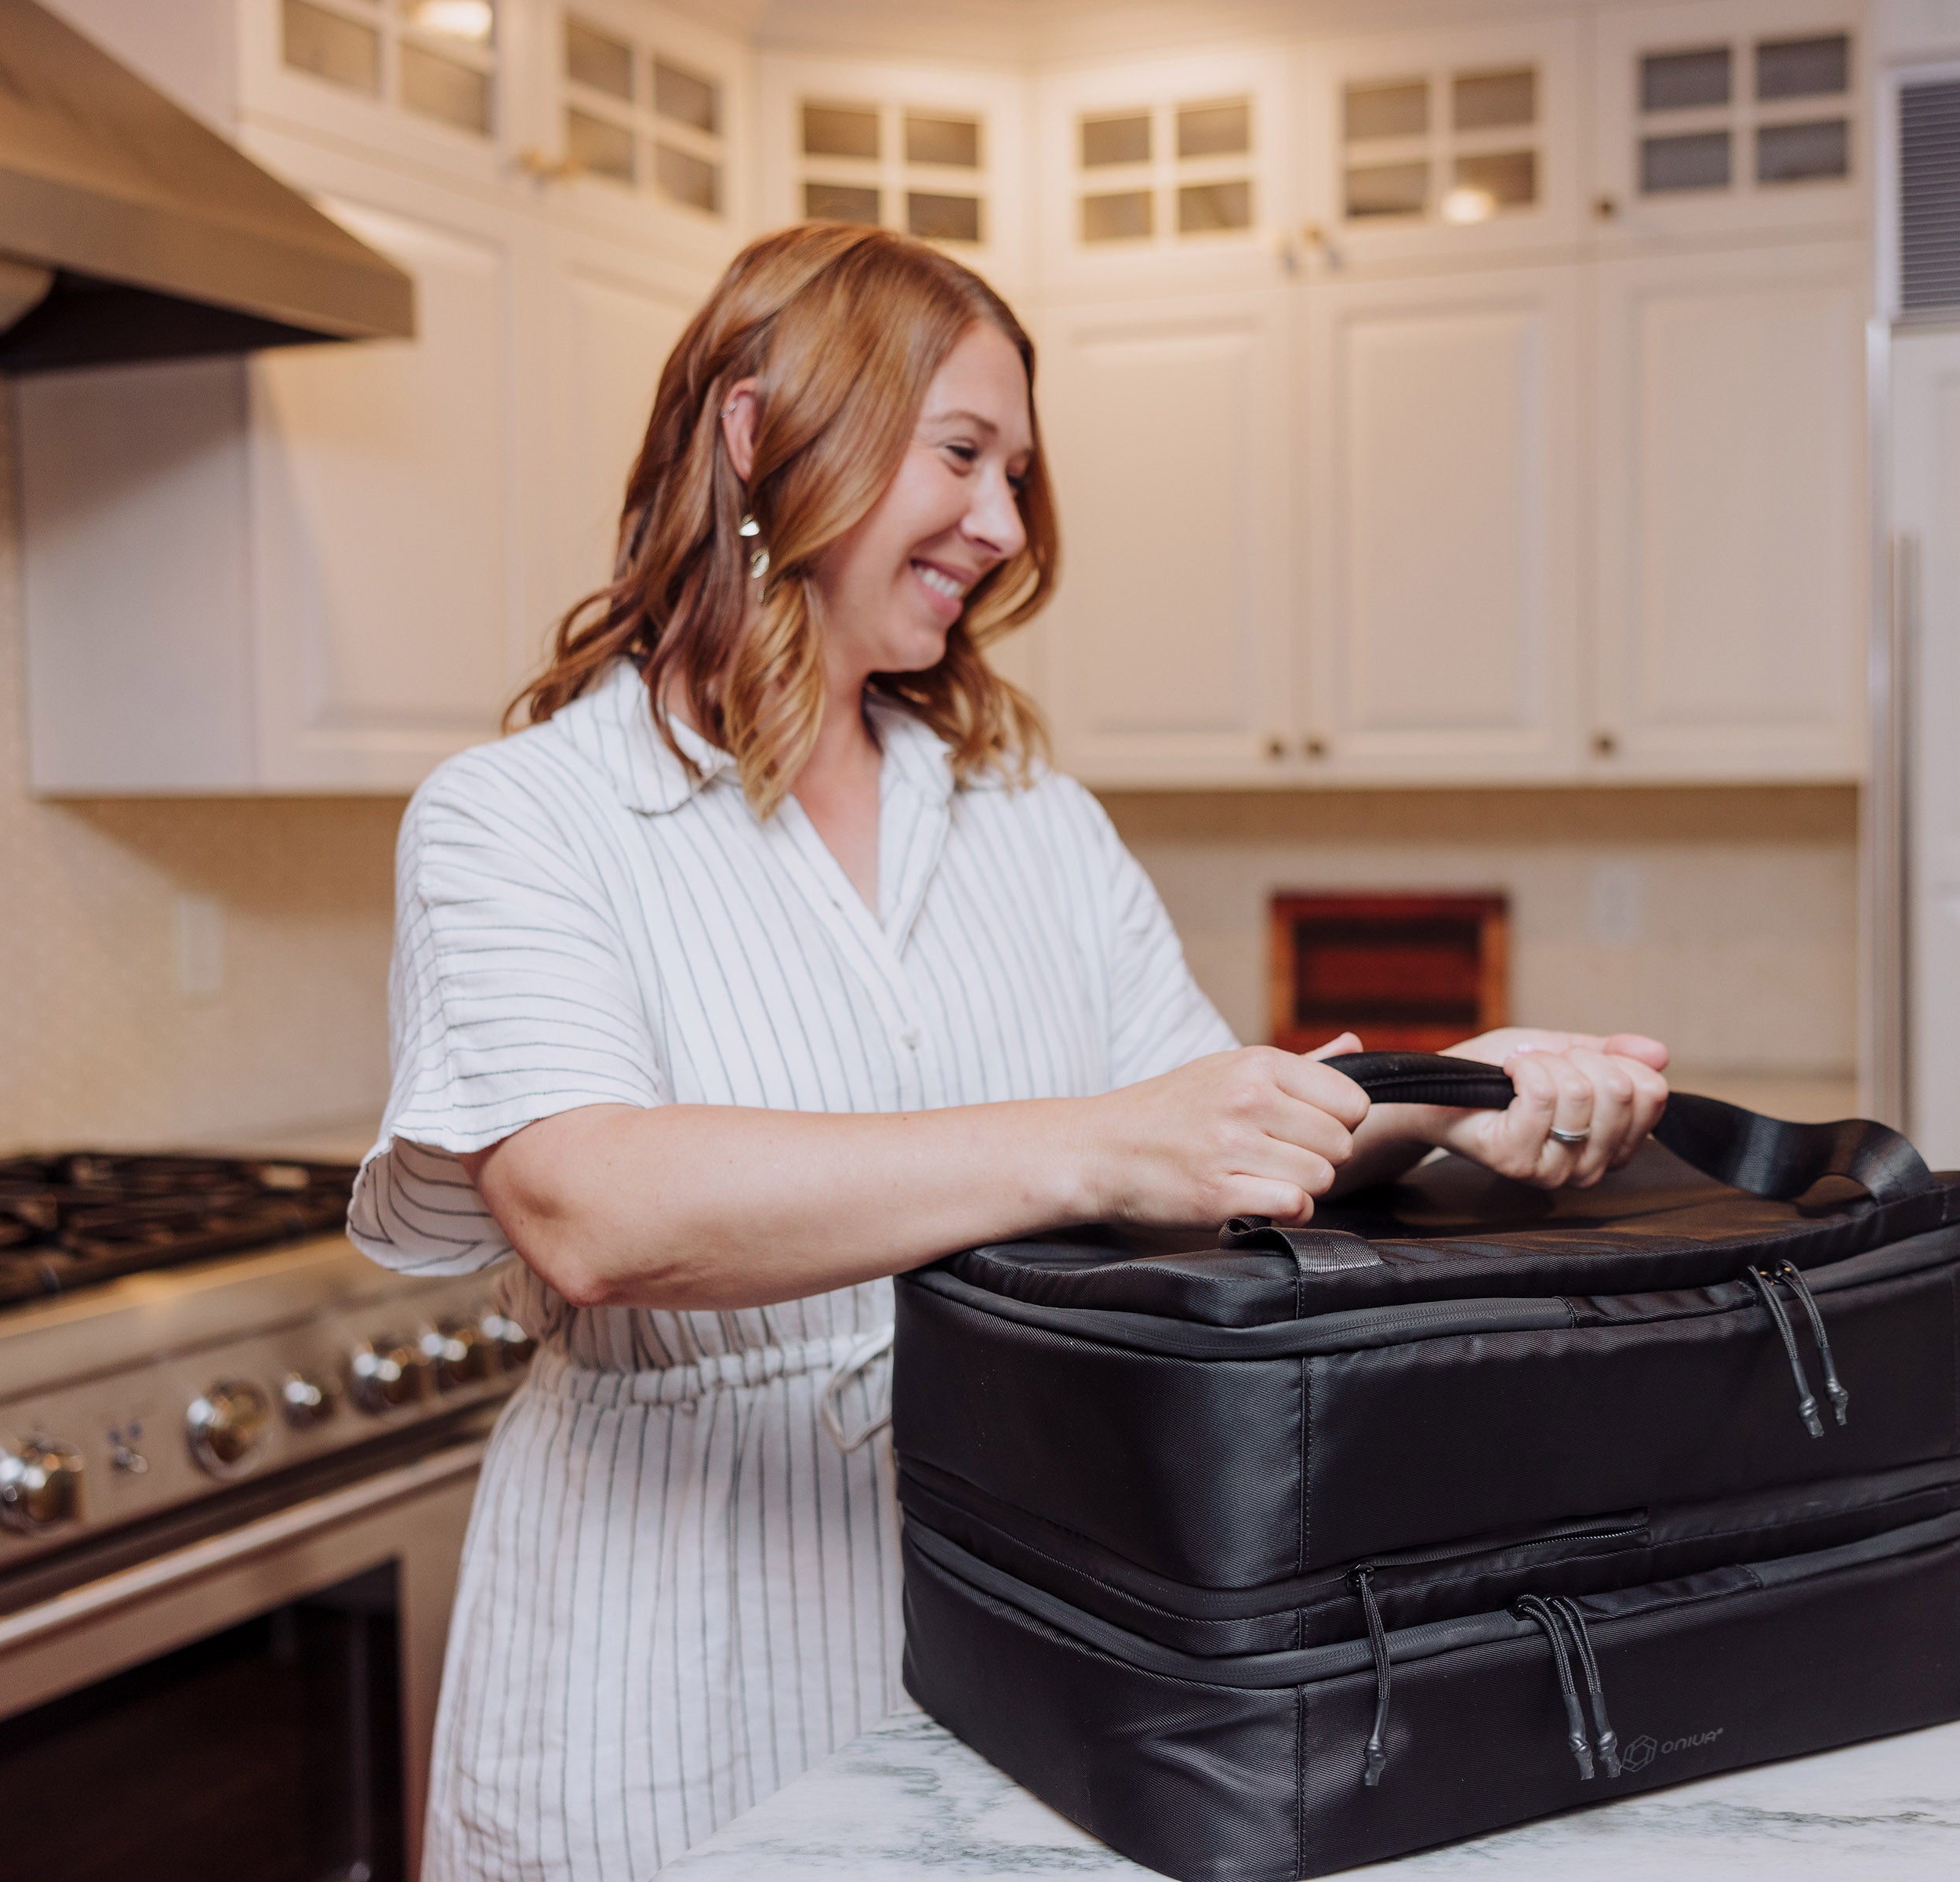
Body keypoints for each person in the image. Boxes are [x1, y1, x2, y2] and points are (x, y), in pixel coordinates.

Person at [347, 223, 1674, 1882]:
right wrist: (1093, 1143)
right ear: (759, 434)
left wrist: (1448, 1096)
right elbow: (587, 1207)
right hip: (663, 1636)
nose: (1003, 523)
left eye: (1020, 474)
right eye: (962, 453)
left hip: (1020, 1613)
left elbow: (1213, 1152)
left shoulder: (1030, 816)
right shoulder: (520, 815)